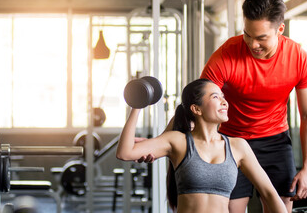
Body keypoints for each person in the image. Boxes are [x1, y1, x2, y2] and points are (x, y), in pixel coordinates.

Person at [138, 0, 307, 213]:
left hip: (275, 140)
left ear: (280, 30)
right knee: (231, 208)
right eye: (247, 35)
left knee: (281, 206)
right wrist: (158, 144)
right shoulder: (226, 55)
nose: (253, 44)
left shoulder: (299, 58)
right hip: (231, 141)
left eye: (261, 38)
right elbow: (195, 104)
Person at [117, 78, 288, 213]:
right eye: (215, 97)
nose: (224, 102)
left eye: (223, 97)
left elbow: (269, 194)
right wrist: (137, 105)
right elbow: (125, 152)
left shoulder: (238, 146)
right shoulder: (178, 141)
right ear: (196, 109)